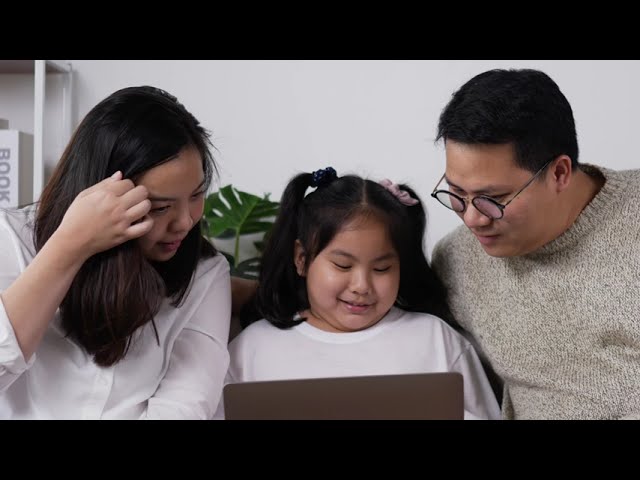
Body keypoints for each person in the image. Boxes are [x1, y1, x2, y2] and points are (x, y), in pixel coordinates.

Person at [0, 86, 231, 419]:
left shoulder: (204, 273)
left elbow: (186, 404)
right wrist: (70, 246)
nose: (184, 222)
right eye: (160, 206)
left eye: (196, 195)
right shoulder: (12, 241)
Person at [430, 68, 640, 419]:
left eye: (492, 198)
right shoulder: (456, 260)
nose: (472, 218)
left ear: (559, 173)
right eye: (456, 192)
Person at [217, 168, 501, 420]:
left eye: (382, 268)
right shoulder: (252, 349)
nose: (361, 285)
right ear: (302, 258)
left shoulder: (434, 339)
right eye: (342, 265)